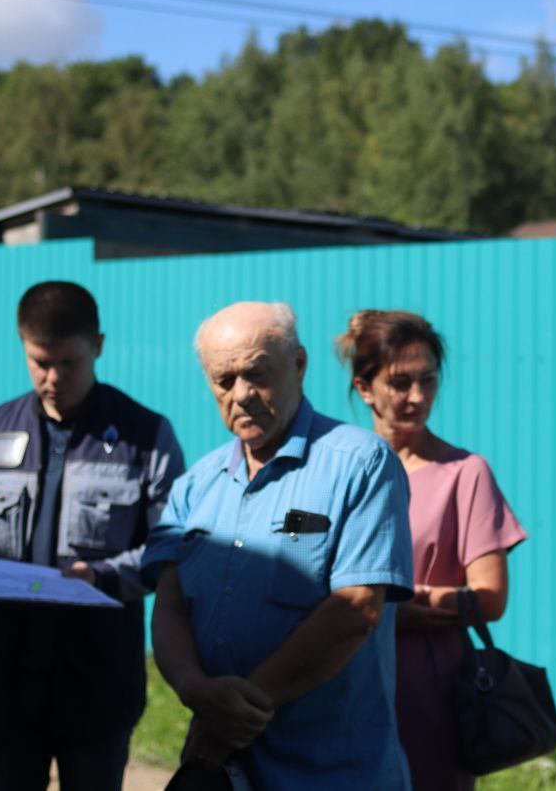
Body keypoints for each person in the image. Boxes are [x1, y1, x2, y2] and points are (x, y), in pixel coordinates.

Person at [142, 301, 414, 789]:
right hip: (223, 772)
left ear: (299, 364)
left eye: (258, 373)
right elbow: (170, 604)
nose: (242, 395)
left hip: (332, 771)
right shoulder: (195, 484)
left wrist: (235, 713)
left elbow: (356, 611)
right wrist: (193, 688)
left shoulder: (362, 463)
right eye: (224, 381)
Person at [0, 280, 186, 791]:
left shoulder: (146, 436)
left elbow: (171, 547)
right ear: (23, 345)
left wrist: (104, 577)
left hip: (97, 683)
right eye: (39, 362)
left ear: (99, 347)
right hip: (5, 677)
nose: (53, 378)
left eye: (69, 363)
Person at [336, 309, 527, 791]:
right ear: (365, 388)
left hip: (429, 687)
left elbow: (489, 598)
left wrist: (383, 604)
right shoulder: (337, 471)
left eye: (428, 380)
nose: (417, 397)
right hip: (338, 672)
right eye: (400, 382)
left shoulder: (465, 472)